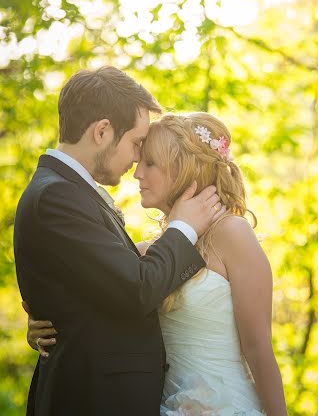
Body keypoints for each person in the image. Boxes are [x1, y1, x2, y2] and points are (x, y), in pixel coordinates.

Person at [28, 111, 288, 415]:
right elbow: (108, 304)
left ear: (183, 169)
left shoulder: (232, 234)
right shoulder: (144, 255)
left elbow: (258, 350)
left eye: (150, 163)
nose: (137, 174)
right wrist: (46, 326)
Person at [15, 67, 224, 416]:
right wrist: (184, 227)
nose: (137, 158)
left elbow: (96, 284)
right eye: (136, 143)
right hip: (93, 400)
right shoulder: (58, 197)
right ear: (102, 131)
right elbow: (136, 288)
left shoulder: (69, 191)